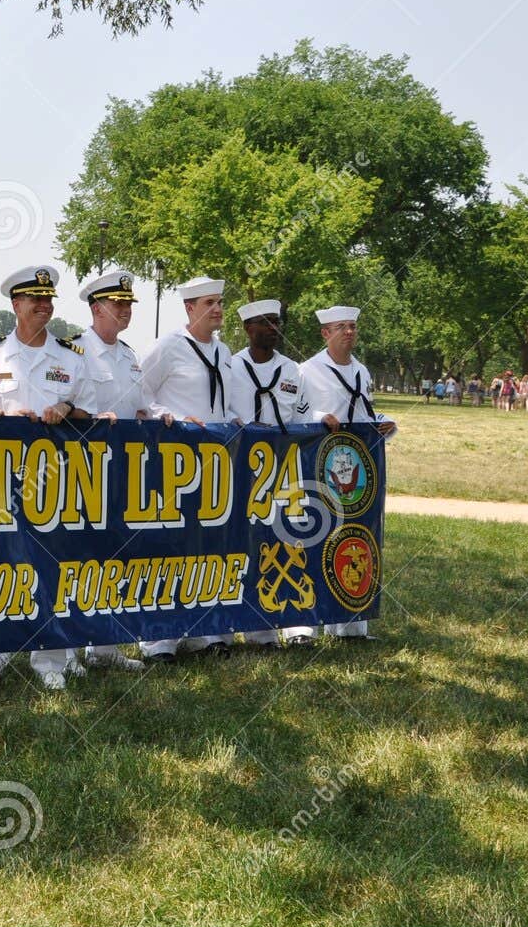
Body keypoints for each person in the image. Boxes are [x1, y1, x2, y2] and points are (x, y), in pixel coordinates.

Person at [0, 263, 98, 690]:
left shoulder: (70, 357)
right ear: (15, 305)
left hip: (55, 480)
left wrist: (66, 409)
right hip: (1, 480)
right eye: (35, 300)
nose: (44, 306)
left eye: (48, 300)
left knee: (53, 563)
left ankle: (51, 661)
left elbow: (91, 411)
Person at [138, 275, 238, 661]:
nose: (217, 310)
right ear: (189, 308)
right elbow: (140, 396)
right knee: (169, 547)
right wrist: (171, 417)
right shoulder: (167, 347)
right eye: (209, 303)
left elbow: (223, 403)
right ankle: (159, 639)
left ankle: (205, 632)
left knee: (208, 547)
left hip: (214, 464)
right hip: (173, 462)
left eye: (220, 302)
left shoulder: (224, 351)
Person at [299, 305, 396, 641]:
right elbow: (296, 413)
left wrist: (383, 424)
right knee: (315, 536)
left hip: (356, 469)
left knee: (355, 537)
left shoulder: (361, 371)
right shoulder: (307, 371)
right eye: (341, 327)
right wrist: (320, 414)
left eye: (353, 326)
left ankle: (351, 624)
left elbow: (363, 410)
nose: (349, 332)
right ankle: (305, 625)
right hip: (316, 463)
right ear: (325, 333)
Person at [74, 269, 152, 672]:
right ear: (96, 308)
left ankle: (106, 646)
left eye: (127, 304)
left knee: (114, 558)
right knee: (75, 559)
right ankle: (67, 650)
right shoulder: (73, 352)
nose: (124, 310)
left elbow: (144, 405)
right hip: (79, 475)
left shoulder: (129, 355)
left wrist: (160, 415)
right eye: (117, 304)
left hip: (122, 474)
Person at [228, 299, 315, 648]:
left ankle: (285, 628)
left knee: (286, 541)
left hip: (283, 468)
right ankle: (240, 631)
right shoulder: (230, 367)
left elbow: (303, 417)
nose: (273, 329)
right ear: (248, 329)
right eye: (265, 323)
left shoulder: (293, 370)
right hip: (240, 469)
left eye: (277, 322)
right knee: (241, 545)